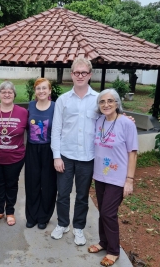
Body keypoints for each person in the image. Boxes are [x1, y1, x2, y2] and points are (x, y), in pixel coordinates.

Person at [50, 57, 99, 246]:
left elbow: (112, 117)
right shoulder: (63, 100)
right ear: (71, 74)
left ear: (90, 75)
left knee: (82, 195)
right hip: (66, 156)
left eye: (83, 72)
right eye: (76, 72)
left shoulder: (98, 99)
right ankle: (63, 224)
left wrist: (127, 120)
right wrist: (56, 156)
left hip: (88, 157)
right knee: (62, 193)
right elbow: (56, 130)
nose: (80, 76)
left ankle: (78, 227)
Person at [88, 89, 138, 266]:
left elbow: (132, 153)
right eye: (102, 102)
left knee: (109, 213)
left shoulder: (126, 123)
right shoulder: (99, 121)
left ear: (117, 103)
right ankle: (103, 242)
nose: (106, 104)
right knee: (103, 211)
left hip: (118, 177)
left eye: (110, 101)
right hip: (101, 175)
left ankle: (114, 250)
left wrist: (129, 180)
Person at [0, 81, 28, 226]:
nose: (6, 94)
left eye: (10, 92)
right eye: (3, 91)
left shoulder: (23, 112)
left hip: (15, 158)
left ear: (14, 95)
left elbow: (33, 131)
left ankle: (10, 212)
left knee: (11, 184)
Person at [25, 78, 57, 230]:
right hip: (32, 149)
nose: (41, 91)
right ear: (35, 91)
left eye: (44, 88)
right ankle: (31, 216)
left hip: (49, 150)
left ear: (50, 91)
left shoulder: (55, 107)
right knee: (32, 183)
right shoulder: (30, 106)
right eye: (38, 88)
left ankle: (44, 216)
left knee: (48, 184)